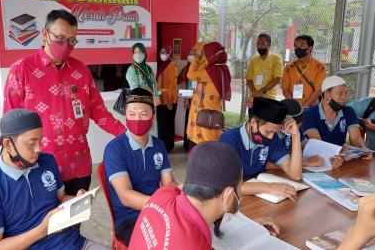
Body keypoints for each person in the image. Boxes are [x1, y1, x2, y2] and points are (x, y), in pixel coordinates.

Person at [3, 9, 126, 196]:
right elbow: (10, 123)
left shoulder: (81, 71)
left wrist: (125, 134)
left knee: (75, 221)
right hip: (38, 165)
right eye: (60, 38)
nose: (66, 45)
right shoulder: (21, 70)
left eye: (71, 40)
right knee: (46, 222)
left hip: (78, 164)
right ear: (45, 34)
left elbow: (99, 111)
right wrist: (13, 161)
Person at [0, 109, 106, 250]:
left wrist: (79, 200)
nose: (38, 149)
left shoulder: (47, 161)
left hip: (76, 244)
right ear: (8, 145)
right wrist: (42, 230)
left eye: (40, 140)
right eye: (31, 143)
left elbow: (61, 198)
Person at [129, 142, 280, 250]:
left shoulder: (165, 193)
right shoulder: (194, 245)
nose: (239, 195)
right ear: (228, 194)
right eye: (239, 188)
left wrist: (250, 228)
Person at [103, 88, 177, 246]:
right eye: (132, 114)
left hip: (158, 212)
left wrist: (183, 191)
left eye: (143, 114)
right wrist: (161, 205)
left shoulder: (159, 145)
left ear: (153, 115)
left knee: (190, 236)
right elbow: (126, 196)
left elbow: (168, 183)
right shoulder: (115, 149)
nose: (137, 119)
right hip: (129, 219)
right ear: (125, 115)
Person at [220, 97, 302, 201]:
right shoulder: (229, 140)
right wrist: (269, 187)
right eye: (268, 132)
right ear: (253, 122)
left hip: (257, 200)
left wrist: (296, 135)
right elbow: (228, 186)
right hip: (233, 201)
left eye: (274, 133)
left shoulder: (272, 140)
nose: (271, 137)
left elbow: (296, 175)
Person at [302, 76, 372, 162]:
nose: (344, 97)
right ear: (327, 94)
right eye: (340, 93)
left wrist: (363, 150)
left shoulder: (348, 111)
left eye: (346, 93)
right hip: (314, 162)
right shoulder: (309, 113)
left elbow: (356, 138)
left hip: (338, 160)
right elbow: (317, 144)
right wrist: (339, 149)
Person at [187, 42, 231, 149]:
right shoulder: (222, 67)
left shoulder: (212, 71)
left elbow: (190, 74)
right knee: (210, 142)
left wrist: (197, 58)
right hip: (212, 112)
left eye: (205, 54)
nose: (204, 56)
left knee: (204, 145)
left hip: (205, 115)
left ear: (211, 54)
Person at [266, 98, 324, 170]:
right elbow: (266, 164)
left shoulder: (296, 129)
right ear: (285, 122)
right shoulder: (270, 133)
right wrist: (306, 162)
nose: (296, 129)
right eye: (295, 126)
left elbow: (307, 146)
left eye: (299, 126)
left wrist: (329, 157)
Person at [281, 35, 326, 108]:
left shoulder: (320, 66)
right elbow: (284, 89)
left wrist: (305, 105)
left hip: (312, 107)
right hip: (294, 109)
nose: (297, 48)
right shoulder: (289, 67)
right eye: (295, 46)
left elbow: (318, 90)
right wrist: (294, 106)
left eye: (302, 45)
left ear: (309, 49)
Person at [245, 33, 283, 113]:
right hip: (252, 98)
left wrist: (261, 91)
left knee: (265, 124)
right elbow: (248, 79)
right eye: (258, 44)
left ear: (269, 44)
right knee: (251, 121)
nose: (259, 46)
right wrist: (254, 92)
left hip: (268, 99)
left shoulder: (276, 58)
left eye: (262, 43)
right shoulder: (253, 60)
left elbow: (277, 78)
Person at [156, 45, 179, 152]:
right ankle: (162, 146)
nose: (163, 54)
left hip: (169, 100)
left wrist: (169, 99)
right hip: (161, 100)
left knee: (168, 124)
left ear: (169, 53)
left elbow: (172, 86)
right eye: (161, 52)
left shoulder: (172, 66)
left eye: (165, 52)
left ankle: (168, 147)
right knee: (161, 124)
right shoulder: (162, 65)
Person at [178, 49, 196, 151]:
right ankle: (186, 144)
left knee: (194, 121)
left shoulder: (198, 69)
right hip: (188, 99)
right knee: (187, 120)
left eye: (193, 54)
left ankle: (191, 146)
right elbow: (179, 79)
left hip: (197, 100)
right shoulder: (186, 68)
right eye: (189, 54)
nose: (191, 56)